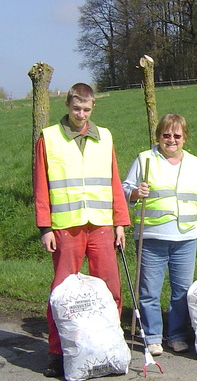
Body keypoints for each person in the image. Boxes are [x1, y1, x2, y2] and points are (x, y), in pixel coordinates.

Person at [34, 83, 131, 378]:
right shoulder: (49, 138)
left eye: (86, 109)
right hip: (66, 227)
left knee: (111, 289)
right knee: (62, 294)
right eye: (76, 108)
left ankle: (110, 345)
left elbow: (114, 181)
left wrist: (120, 222)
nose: (81, 114)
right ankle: (57, 352)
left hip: (101, 226)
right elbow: (41, 184)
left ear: (93, 108)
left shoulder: (105, 137)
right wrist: (45, 227)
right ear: (67, 105)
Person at [122, 113, 197, 356]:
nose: (171, 140)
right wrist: (134, 193)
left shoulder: (195, 163)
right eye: (166, 135)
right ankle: (152, 337)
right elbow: (123, 189)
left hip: (185, 237)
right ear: (158, 137)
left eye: (177, 135)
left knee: (181, 291)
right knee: (149, 291)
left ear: (185, 138)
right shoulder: (145, 160)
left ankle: (177, 335)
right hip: (152, 236)